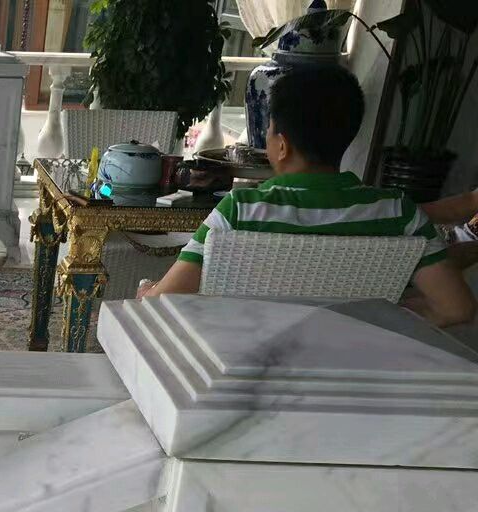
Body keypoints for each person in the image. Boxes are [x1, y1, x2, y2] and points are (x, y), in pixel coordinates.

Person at [138, 65, 476, 328]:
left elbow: (162, 303)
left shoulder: (239, 211)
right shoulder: (399, 212)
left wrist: (148, 292)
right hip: (345, 373)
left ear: (281, 146)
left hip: (241, 370)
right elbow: (456, 308)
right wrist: (385, 316)